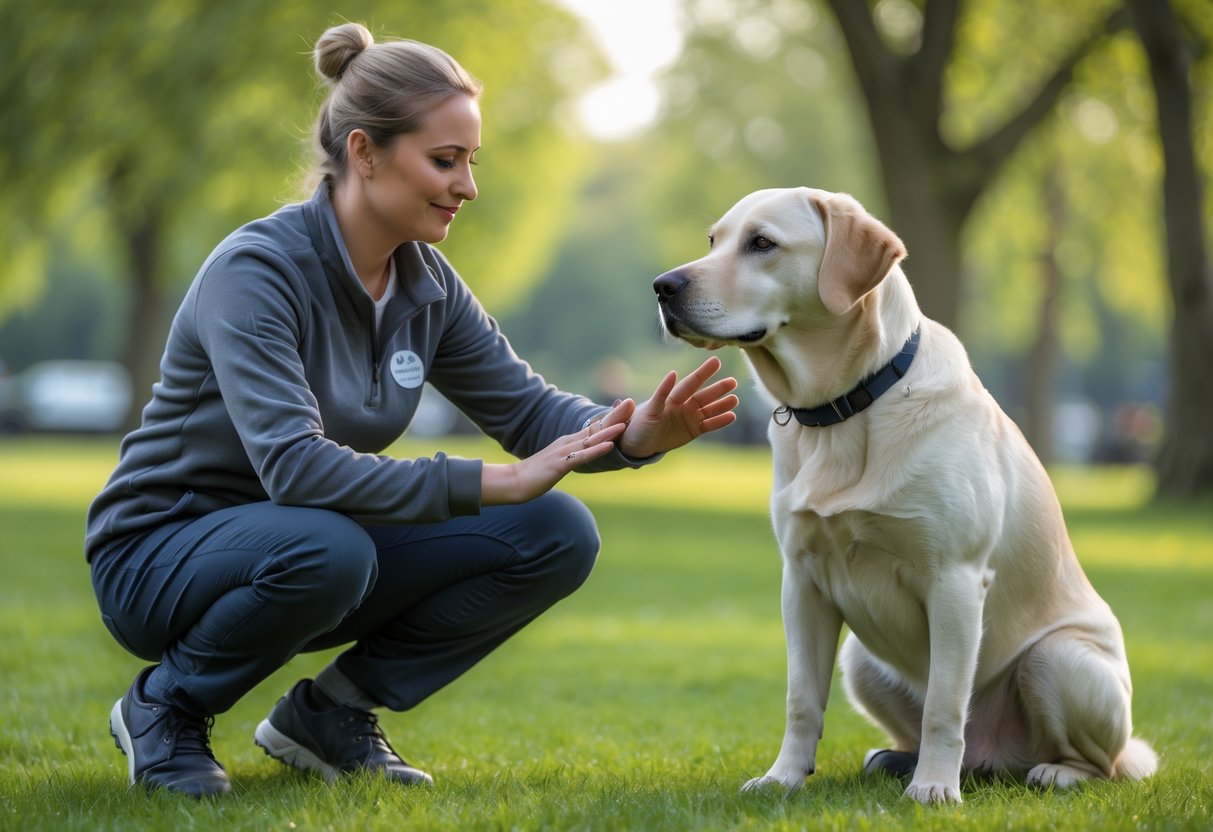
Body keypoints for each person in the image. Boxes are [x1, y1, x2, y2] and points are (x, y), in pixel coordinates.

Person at [85, 22, 739, 798]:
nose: (467, 185)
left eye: (469, 161)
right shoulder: (255, 271)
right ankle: (166, 706)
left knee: (555, 532)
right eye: (444, 160)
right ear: (364, 152)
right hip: (160, 554)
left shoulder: (423, 281)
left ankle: (330, 713)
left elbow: (529, 412)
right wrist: (489, 482)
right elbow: (293, 466)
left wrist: (631, 436)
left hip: (312, 546)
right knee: (332, 549)